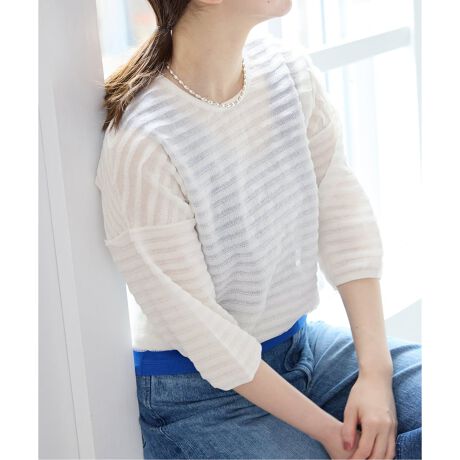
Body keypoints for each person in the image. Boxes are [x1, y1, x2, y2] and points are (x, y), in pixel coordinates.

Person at [94, 1, 422, 459]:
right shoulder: (142, 143)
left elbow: (343, 218)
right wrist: (332, 435)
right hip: (196, 393)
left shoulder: (287, 73)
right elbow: (208, 336)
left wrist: (375, 375)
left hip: (300, 349)